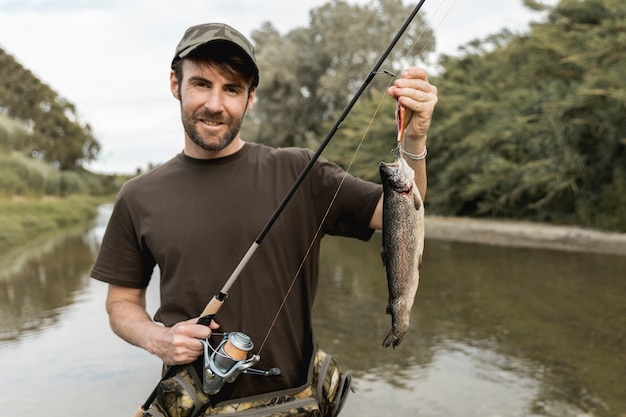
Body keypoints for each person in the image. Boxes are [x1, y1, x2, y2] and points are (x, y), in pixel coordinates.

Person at [90, 22, 437, 413]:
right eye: (202, 84)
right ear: (176, 84)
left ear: (250, 97)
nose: (215, 104)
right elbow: (120, 303)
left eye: (233, 89)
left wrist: (414, 138)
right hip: (191, 405)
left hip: (295, 404)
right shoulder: (138, 195)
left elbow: (401, 210)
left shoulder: (301, 171)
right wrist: (156, 338)